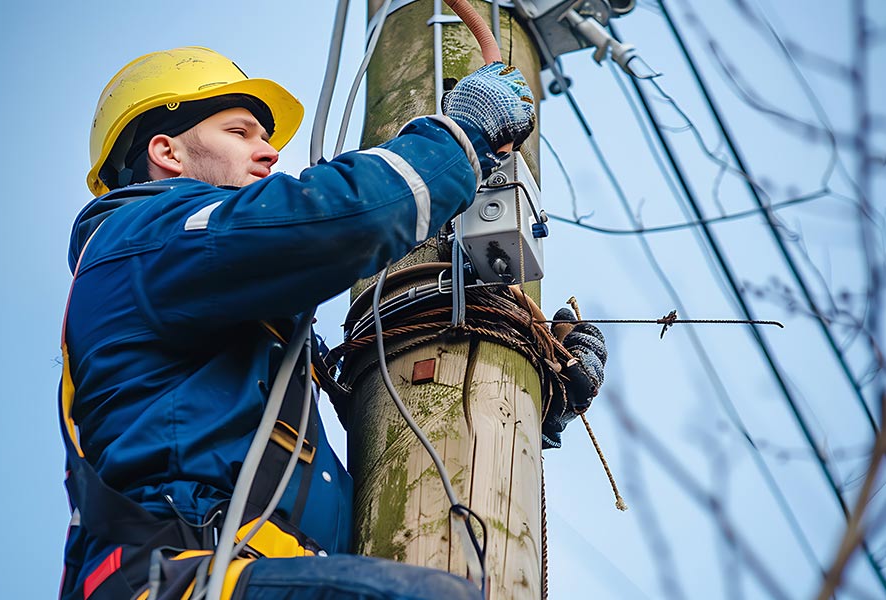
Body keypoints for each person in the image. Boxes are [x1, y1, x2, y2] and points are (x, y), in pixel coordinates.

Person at [59, 46, 605, 600]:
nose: (269, 152)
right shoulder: (137, 240)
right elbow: (333, 219)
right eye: (240, 132)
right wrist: (460, 138)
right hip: (177, 575)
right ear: (166, 152)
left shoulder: (238, 319)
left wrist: (520, 401)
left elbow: (387, 432)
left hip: (251, 568)